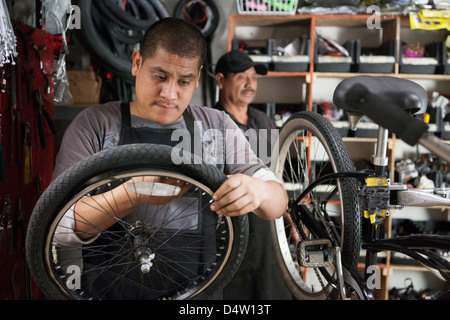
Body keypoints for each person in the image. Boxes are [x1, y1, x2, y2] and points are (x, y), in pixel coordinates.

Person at [51, 18, 288, 299]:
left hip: (198, 295)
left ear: (197, 79)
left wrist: (257, 191)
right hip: (110, 292)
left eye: (184, 81)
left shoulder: (216, 126)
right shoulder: (97, 125)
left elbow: (278, 201)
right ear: (137, 62)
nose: (169, 94)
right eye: (159, 76)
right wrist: (132, 193)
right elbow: (59, 227)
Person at [214, 50, 293, 300]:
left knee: (273, 291)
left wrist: (291, 219)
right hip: (230, 229)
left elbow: (275, 176)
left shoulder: (264, 121)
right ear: (220, 80)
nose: (250, 84)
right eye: (241, 77)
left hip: (268, 232)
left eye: (253, 77)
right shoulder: (210, 123)